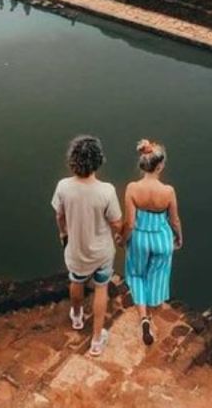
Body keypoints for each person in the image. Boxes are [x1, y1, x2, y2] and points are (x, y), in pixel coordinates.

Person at [51, 136, 122, 357]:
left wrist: (64, 235)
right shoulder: (107, 191)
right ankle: (97, 341)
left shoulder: (63, 186)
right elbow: (117, 223)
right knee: (101, 289)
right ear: (98, 161)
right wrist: (125, 230)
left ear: (72, 160)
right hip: (101, 253)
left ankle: (77, 316)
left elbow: (60, 216)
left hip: (76, 250)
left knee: (76, 281)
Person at [122, 140, 182, 347]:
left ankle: (143, 318)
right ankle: (153, 311)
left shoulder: (132, 188)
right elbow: (174, 220)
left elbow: (129, 222)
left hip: (140, 237)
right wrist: (179, 237)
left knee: (137, 274)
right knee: (157, 275)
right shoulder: (168, 191)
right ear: (160, 166)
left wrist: (123, 238)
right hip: (161, 237)